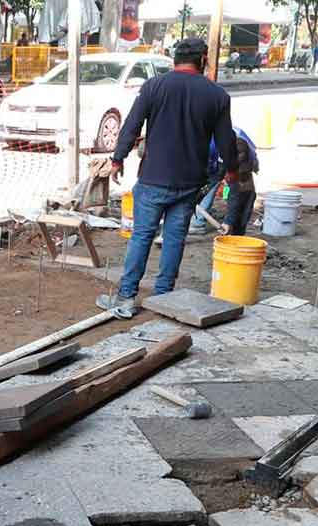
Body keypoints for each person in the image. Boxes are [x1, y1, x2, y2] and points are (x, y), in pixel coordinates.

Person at [97, 38, 237, 319]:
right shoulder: (217, 95)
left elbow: (131, 125)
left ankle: (126, 298)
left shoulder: (154, 87)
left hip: (153, 178)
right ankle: (163, 298)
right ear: (203, 59)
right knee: (174, 239)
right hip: (189, 182)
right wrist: (231, 172)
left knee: (142, 236)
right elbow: (226, 140)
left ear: (175, 60)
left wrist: (117, 159)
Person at [189, 128, 259, 235]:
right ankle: (198, 217)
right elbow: (210, 179)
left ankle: (236, 234)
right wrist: (196, 196)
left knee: (243, 202)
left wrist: (228, 222)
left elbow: (234, 191)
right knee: (208, 186)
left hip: (243, 173)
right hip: (219, 161)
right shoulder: (201, 142)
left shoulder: (238, 149)